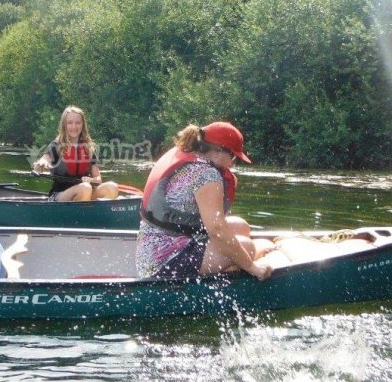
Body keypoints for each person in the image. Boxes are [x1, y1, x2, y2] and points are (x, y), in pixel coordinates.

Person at [136, 121, 274, 280]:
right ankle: (227, 287)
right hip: (164, 261)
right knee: (247, 247)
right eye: (233, 156)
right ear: (216, 152)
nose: (233, 163)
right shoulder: (207, 175)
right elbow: (217, 230)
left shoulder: (186, 156)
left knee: (240, 226)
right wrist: (252, 267)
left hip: (151, 252)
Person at [33, 105, 119, 201]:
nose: (74, 126)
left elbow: (98, 179)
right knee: (85, 188)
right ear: (64, 125)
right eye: (70, 123)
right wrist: (42, 164)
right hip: (59, 196)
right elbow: (45, 159)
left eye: (78, 123)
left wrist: (91, 180)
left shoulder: (88, 148)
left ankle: (94, 213)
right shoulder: (56, 145)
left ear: (83, 125)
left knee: (112, 187)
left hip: (85, 191)